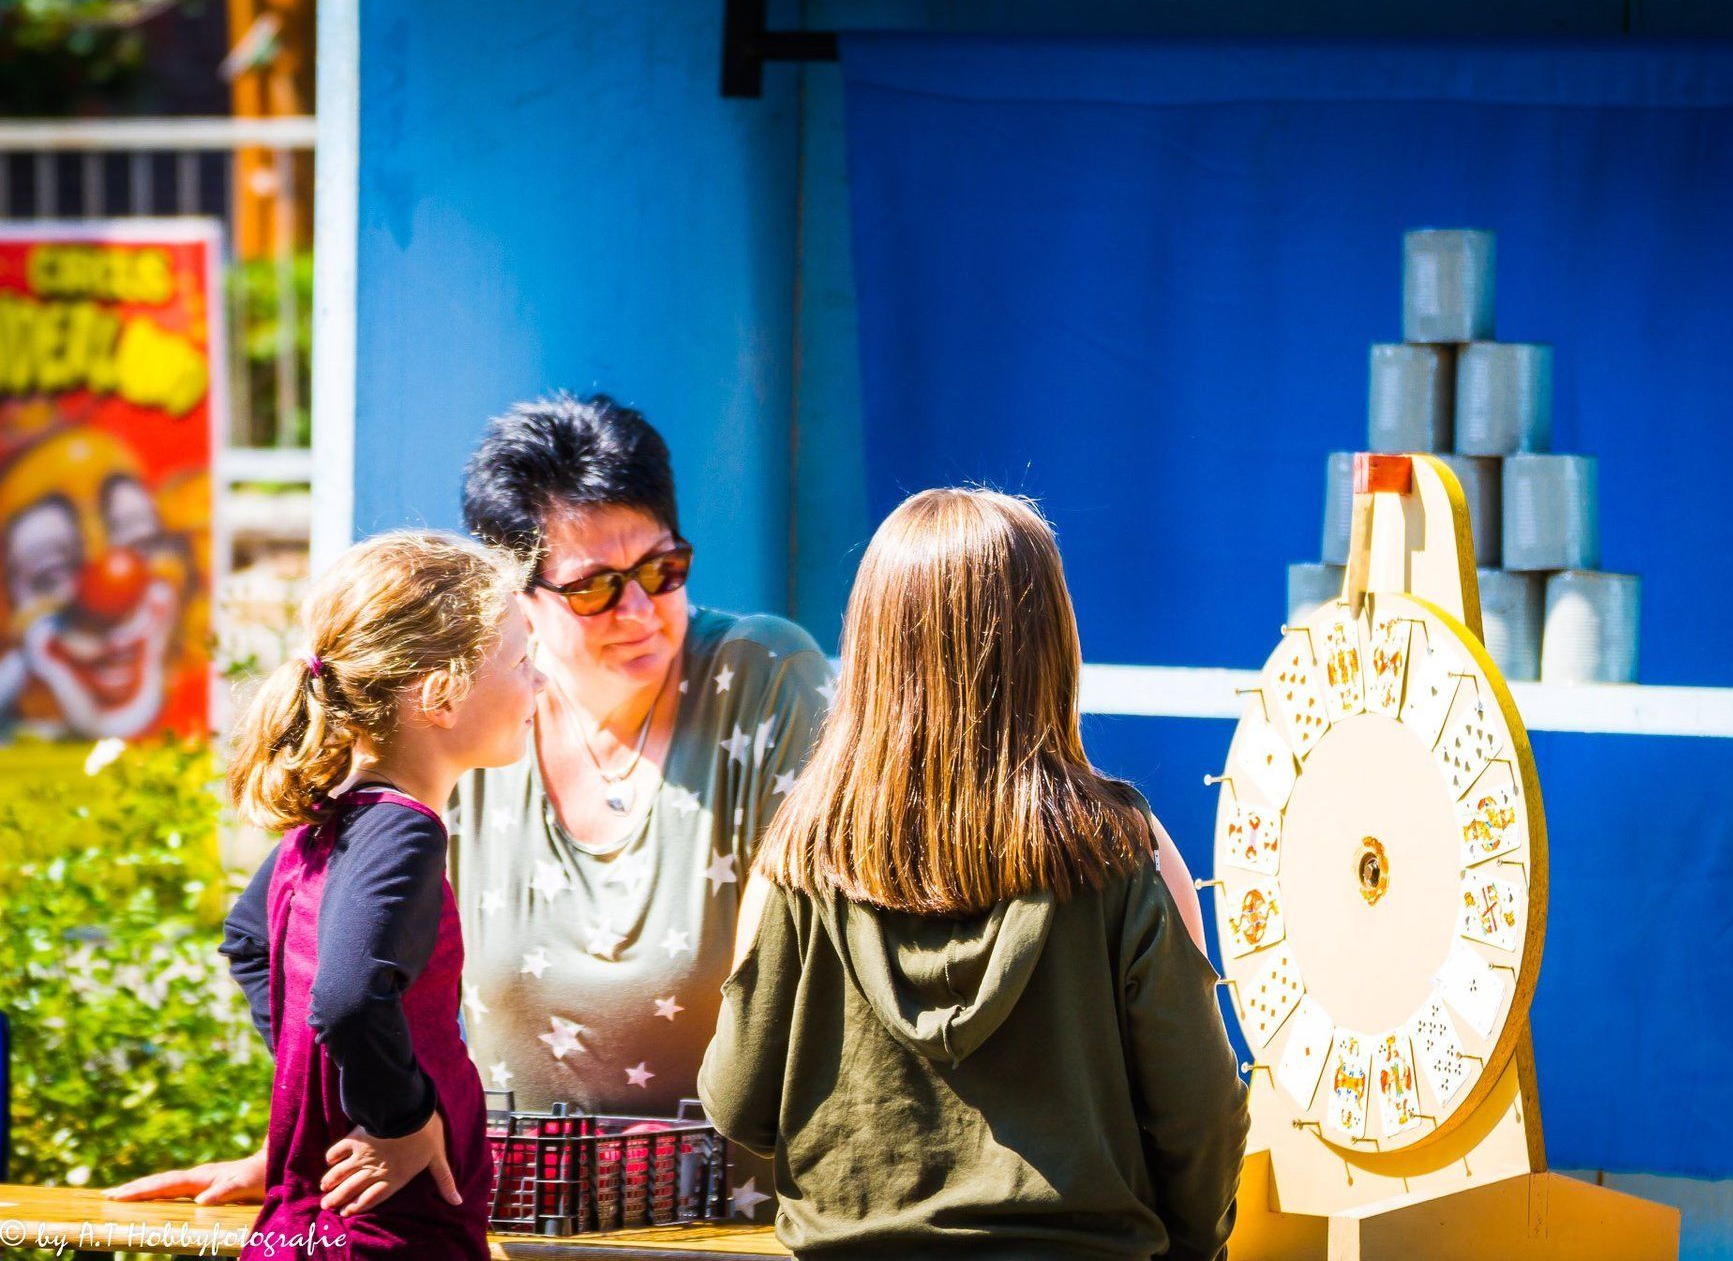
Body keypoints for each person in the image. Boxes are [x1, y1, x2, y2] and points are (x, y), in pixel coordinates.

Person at [112, 393, 831, 1217]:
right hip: (512, 1210)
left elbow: (790, 966)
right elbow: (288, 937)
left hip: (724, 1216)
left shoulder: (767, 676)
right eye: (594, 588)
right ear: (514, 596)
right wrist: (337, 1124)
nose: (638, 610)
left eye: (663, 570)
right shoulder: (468, 720)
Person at [699, 487, 1248, 1260]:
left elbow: (736, 1104)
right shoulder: (1126, 848)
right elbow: (1201, 1112)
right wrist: (1191, 1246)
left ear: (871, 648)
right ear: (1051, 642)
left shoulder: (797, 857)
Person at [109, 530, 537, 1259]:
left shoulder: (332, 820)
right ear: (441, 695)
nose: (540, 683)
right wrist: (401, 1119)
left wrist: (319, 1093)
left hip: (314, 1223)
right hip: (386, 1233)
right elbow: (347, 998)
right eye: (524, 662)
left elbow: (250, 942)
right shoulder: (403, 833)